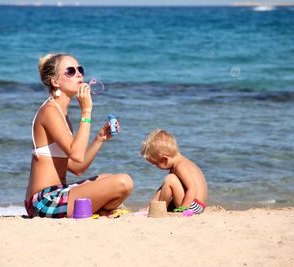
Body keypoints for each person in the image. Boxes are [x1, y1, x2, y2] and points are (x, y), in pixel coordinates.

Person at [25, 53, 134, 218]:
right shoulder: (49, 111)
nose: (79, 74)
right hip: (43, 202)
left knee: (108, 178)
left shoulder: (62, 115)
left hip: (60, 192)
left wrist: (100, 138)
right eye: (70, 71)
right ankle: (102, 210)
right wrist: (86, 110)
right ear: (55, 82)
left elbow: (77, 168)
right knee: (123, 182)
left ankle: (100, 210)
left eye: (80, 69)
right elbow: (76, 154)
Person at [140, 129, 207, 214]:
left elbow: (192, 188)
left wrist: (183, 209)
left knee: (170, 179)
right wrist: (149, 207)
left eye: (156, 164)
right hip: (193, 203)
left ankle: (159, 210)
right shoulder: (177, 164)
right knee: (167, 183)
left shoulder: (180, 166)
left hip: (193, 205)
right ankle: (153, 208)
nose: (156, 167)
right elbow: (162, 189)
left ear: (165, 159)